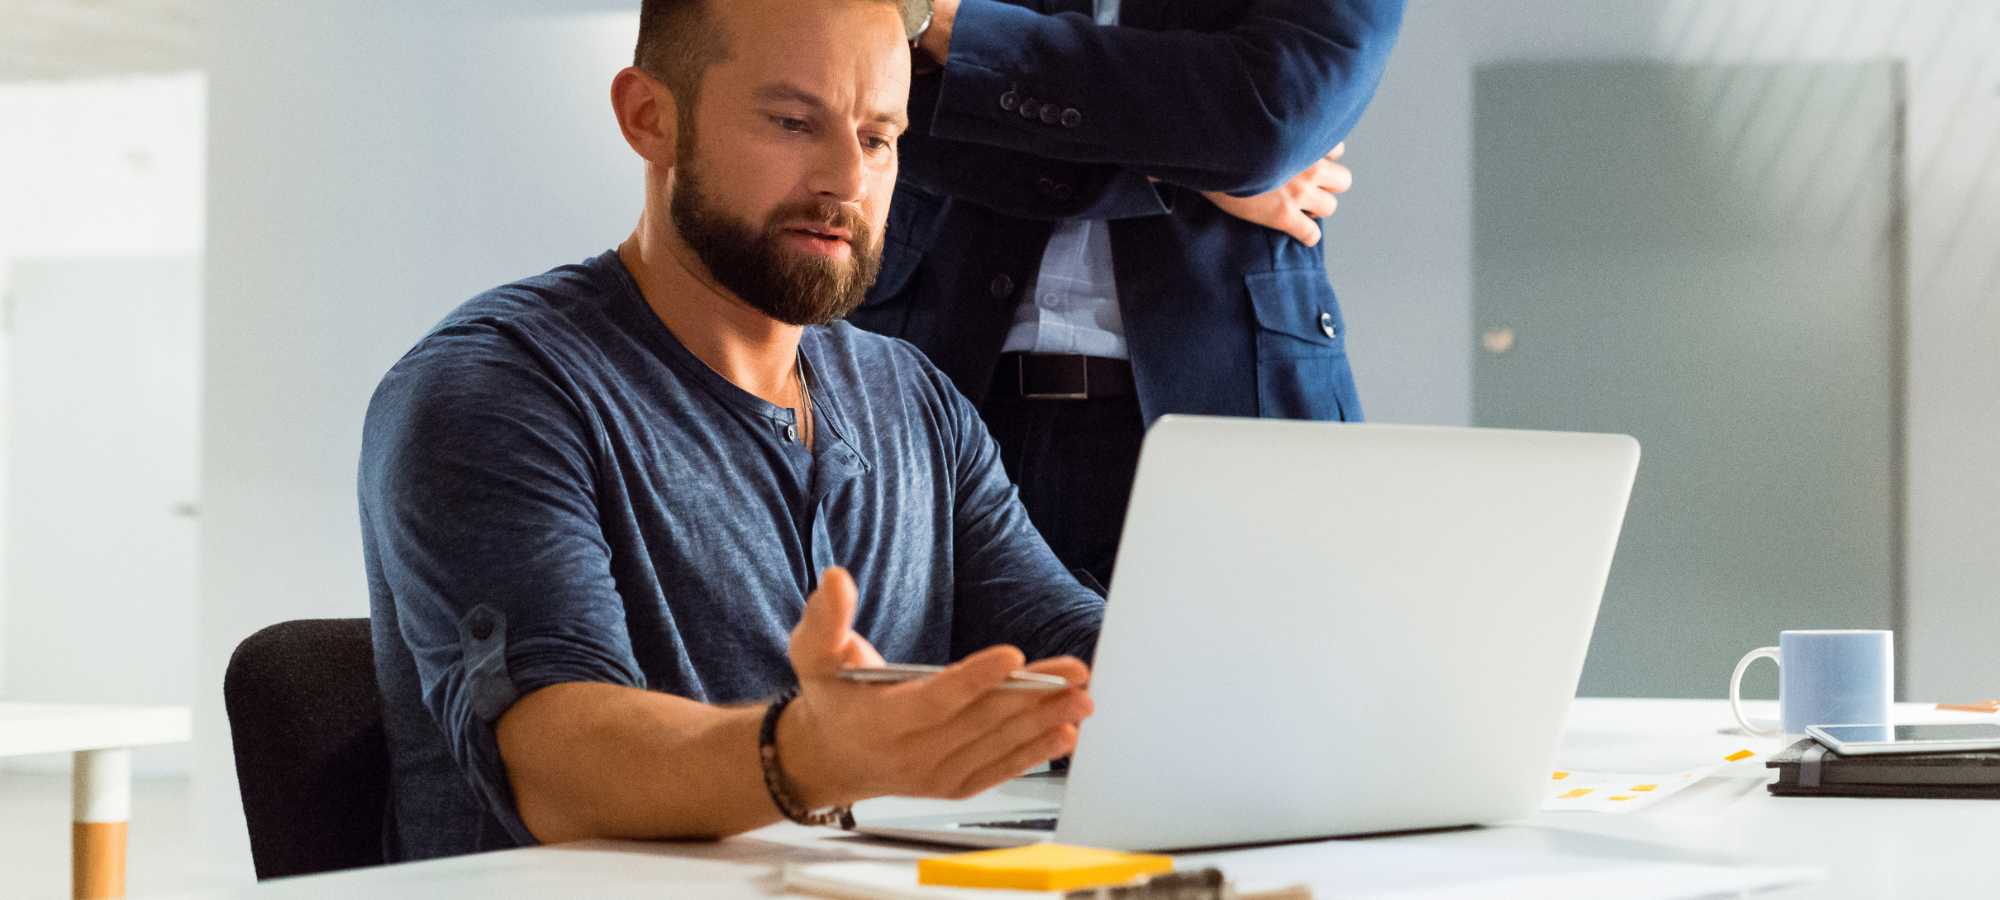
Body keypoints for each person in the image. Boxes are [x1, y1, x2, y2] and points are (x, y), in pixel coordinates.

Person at [359, 0, 1102, 861]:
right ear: (650, 118)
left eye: (876, 138)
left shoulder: (914, 400)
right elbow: (560, 764)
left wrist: (1220, 687)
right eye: (792, 121)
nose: (846, 184)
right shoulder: (494, 391)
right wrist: (810, 755)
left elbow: (1066, 642)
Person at [848, 0, 1405, 587]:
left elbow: (1269, 116)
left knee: (1230, 674)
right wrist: (1188, 160)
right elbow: (885, 105)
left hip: (1233, 404)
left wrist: (958, 34)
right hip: (944, 387)